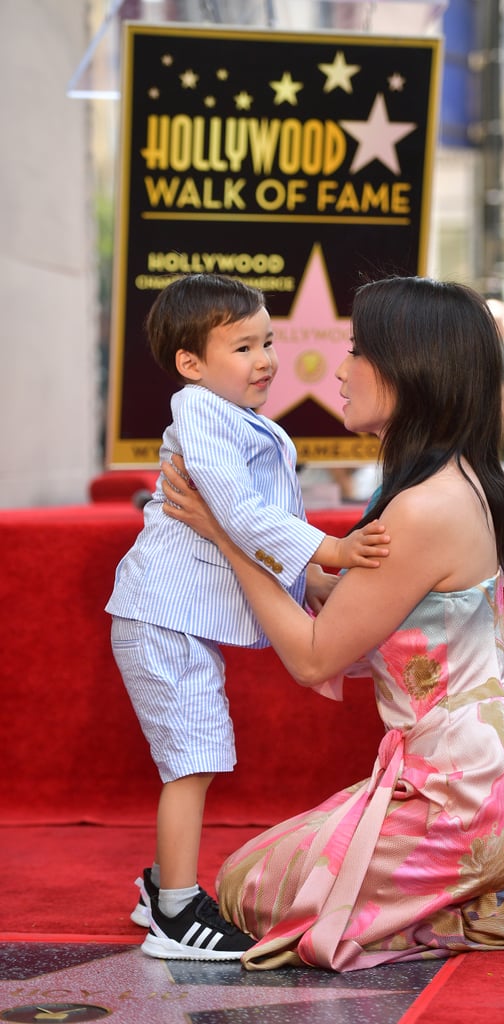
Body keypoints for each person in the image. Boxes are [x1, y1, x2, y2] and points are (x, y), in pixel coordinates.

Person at [160, 275, 504, 972]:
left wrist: (225, 536)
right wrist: (281, 555)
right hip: (482, 792)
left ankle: (486, 908)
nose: (338, 368)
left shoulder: (423, 507)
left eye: (359, 351)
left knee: (246, 890)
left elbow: (312, 657)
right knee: (250, 872)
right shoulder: (454, 483)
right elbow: (357, 611)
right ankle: (481, 894)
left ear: (410, 370)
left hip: (459, 809)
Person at [105, 273, 390, 962]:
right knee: (193, 758)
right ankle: (174, 911)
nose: (265, 359)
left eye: (268, 341)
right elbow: (238, 512)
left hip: (175, 616)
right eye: (244, 346)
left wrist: (316, 577)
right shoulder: (199, 410)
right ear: (191, 364)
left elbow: (262, 522)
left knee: (196, 754)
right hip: (160, 616)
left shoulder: (238, 415)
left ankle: (160, 892)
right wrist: (329, 548)